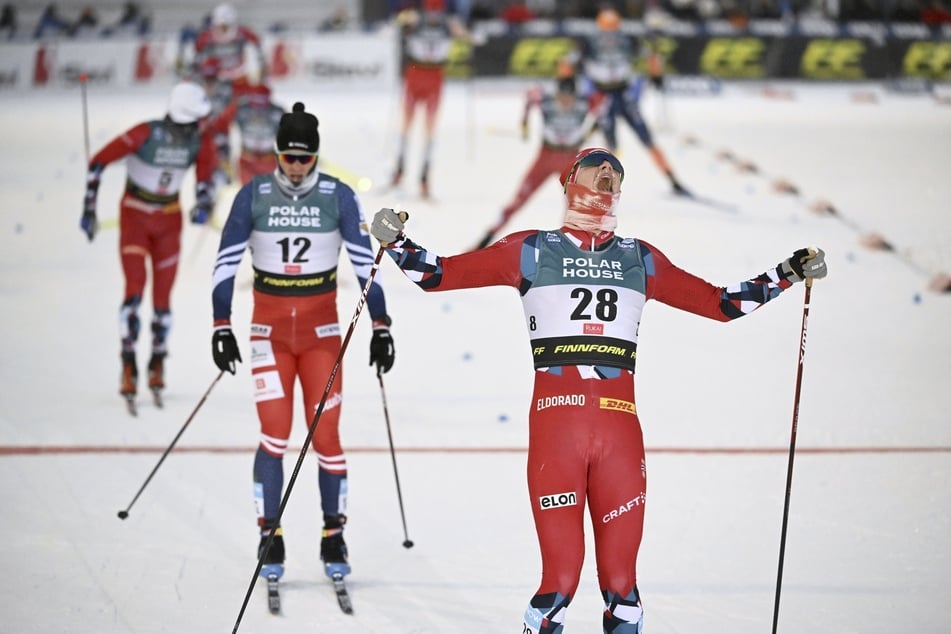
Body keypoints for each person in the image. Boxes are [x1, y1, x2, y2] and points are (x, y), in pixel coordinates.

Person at [369, 147, 827, 633]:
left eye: (617, 171)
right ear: (569, 181)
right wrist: (396, 241)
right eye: (597, 166)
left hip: (619, 435)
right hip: (556, 431)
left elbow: (721, 305)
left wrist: (786, 273)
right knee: (559, 585)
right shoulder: (530, 250)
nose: (609, 171)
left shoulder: (640, 259)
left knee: (623, 590)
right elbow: (438, 276)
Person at [209, 102, 396, 583]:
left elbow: (363, 262)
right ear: (276, 153)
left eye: (305, 158)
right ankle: (269, 533)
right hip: (268, 334)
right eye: (289, 157)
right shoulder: (253, 195)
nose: (296, 167)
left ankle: (333, 535)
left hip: (322, 335)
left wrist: (381, 324)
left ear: (316, 156)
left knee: (326, 437)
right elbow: (226, 262)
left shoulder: (339, 196)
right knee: (275, 433)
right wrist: (220, 324)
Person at [81, 81, 216, 412]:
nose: (199, 126)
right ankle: (128, 363)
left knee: (162, 300)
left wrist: (203, 202)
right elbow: (98, 161)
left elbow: (205, 175)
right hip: (135, 218)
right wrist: (89, 207)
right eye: (195, 120)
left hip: (169, 220)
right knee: (135, 290)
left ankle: (158, 361)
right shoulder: (145, 133)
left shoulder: (200, 140)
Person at [474, 71, 597, 250]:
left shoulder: (584, 103)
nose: (565, 102)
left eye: (569, 97)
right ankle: (488, 235)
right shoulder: (547, 101)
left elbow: (605, 104)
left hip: (571, 160)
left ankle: (570, 246)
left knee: (576, 206)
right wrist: (524, 124)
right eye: (562, 97)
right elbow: (530, 95)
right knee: (519, 198)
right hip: (546, 156)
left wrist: (593, 131)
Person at [577, 7, 688, 196]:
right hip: (603, 94)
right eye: (606, 30)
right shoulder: (590, 43)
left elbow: (651, 55)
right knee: (610, 143)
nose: (609, 36)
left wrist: (655, 75)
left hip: (622, 92)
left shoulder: (627, 40)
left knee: (645, 138)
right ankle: (601, 185)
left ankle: (673, 179)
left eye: (612, 30)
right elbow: (572, 62)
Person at [390, 0, 473, 198]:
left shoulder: (449, 22)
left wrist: (469, 37)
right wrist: (402, 28)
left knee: (429, 129)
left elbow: (468, 37)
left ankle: (424, 177)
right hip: (415, 74)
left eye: (436, 11)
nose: (433, 15)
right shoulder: (414, 17)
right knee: (406, 125)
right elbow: (395, 26)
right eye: (431, 10)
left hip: (434, 77)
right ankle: (400, 170)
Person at [193, 2, 267, 185]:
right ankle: (223, 161)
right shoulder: (205, 38)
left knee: (248, 119)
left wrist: (259, 75)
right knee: (219, 124)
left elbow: (259, 53)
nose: (222, 29)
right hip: (218, 86)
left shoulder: (244, 34)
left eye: (225, 26)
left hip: (242, 83)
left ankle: (251, 160)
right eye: (219, 25)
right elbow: (197, 62)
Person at [211, 82, 285, 185]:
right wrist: (222, 147)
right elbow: (221, 122)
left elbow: (295, 133)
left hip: (269, 160)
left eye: (262, 104)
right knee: (248, 195)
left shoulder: (277, 112)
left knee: (270, 197)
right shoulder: (241, 109)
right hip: (247, 161)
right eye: (256, 104)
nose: (259, 111)